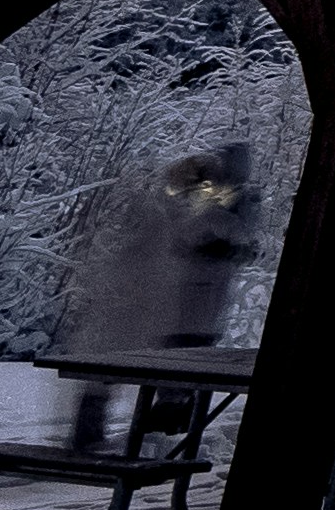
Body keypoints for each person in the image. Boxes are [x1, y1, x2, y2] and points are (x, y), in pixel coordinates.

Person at [56, 144, 266, 453]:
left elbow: (210, 240)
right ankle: (149, 439)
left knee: (166, 375)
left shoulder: (219, 209)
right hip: (162, 309)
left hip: (177, 312)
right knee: (148, 371)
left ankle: (154, 439)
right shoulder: (182, 208)